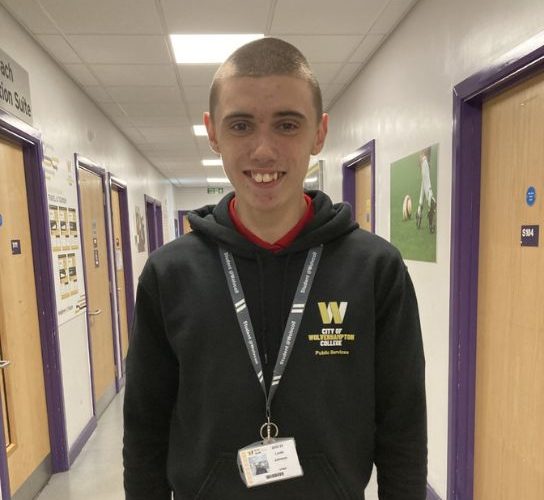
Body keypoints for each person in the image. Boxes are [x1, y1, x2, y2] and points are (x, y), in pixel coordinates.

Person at [123, 37, 427, 499]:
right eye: (241, 125)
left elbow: (402, 429)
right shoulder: (170, 275)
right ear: (212, 131)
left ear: (319, 133)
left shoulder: (374, 270)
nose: (263, 151)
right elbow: (145, 430)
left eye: (287, 124)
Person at [415, 148, 436, 233]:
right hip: (425, 160)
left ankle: (419, 211)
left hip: (424, 161)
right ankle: (430, 200)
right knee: (427, 185)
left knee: (424, 182)